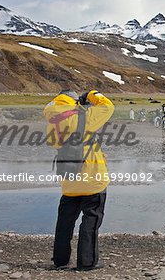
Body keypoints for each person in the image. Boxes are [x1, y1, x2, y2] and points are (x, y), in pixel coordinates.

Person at [44, 89, 114, 271]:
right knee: (91, 219)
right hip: (92, 177)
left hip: (69, 178)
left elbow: (55, 143)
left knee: (65, 221)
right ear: (76, 101)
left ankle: (60, 260)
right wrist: (92, 94)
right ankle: (87, 262)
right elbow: (107, 106)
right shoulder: (84, 115)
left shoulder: (53, 117)